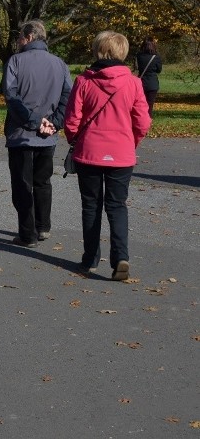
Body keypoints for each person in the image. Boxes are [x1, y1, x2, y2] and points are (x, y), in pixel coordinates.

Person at [64, 31, 151, 280]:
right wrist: (130, 143)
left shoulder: (84, 81)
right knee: (117, 206)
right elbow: (143, 122)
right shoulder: (134, 83)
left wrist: (75, 141)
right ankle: (120, 257)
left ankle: (90, 259)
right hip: (122, 154)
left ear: (98, 50)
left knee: (91, 206)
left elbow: (72, 120)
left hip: (89, 152)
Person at [3, 19, 71, 248]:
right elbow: (67, 97)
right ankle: (43, 227)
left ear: (29, 37)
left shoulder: (16, 61)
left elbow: (12, 97)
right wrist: (54, 123)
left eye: (20, 37)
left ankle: (28, 233)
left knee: (23, 184)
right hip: (47, 135)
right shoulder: (60, 64)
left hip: (21, 134)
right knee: (43, 181)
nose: (18, 41)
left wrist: (33, 121)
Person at [135, 36, 162, 117]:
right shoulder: (156, 57)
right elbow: (159, 70)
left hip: (141, 82)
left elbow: (137, 68)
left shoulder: (139, 56)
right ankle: (147, 120)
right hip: (152, 83)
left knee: (140, 104)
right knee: (150, 105)